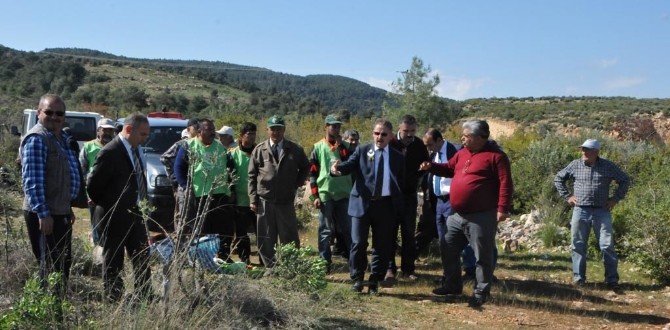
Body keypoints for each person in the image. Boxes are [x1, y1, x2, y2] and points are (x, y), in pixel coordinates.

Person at [420, 119, 513, 307]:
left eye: (466, 135)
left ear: (480, 137)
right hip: (457, 214)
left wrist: (502, 209)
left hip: (481, 215)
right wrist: (432, 167)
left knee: (482, 255)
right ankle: (453, 285)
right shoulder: (463, 153)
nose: (462, 138)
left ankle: (481, 292)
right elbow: (449, 169)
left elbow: (506, 184)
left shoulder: (496, 157)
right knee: (447, 246)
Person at [331, 118, 405, 294]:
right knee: (357, 243)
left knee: (382, 245)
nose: (380, 137)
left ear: (391, 136)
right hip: (361, 203)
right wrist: (337, 170)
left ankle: (375, 279)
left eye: (384, 134)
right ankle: (357, 278)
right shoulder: (363, 150)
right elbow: (348, 166)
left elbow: (401, 180)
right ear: (372, 134)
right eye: (377, 133)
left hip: (385, 205)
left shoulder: (397, 157)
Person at [87, 112, 154, 302]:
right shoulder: (110, 152)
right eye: (142, 134)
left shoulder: (137, 149)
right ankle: (114, 299)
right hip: (113, 217)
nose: (145, 138)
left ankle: (145, 296)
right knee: (113, 261)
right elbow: (93, 186)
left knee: (141, 257)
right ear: (129, 129)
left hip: (136, 215)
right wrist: (111, 206)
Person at [21, 94, 80, 296]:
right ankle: (46, 315)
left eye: (59, 113)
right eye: (49, 112)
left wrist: (67, 207)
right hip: (45, 214)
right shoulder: (37, 139)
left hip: (60, 211)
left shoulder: (62, 138)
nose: (55, 117)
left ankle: (57, 312)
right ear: (39, 113)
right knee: (49, 266)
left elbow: (62, 178)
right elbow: (33, 181)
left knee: (62, 265)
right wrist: (43, 214)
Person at [554, 139, 629, 291]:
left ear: (596, 152)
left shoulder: (608, 166)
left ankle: (612, 280)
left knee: (607, 245)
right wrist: (568, 196)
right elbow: (558, 178)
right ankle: (579, 278)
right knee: (578, 244)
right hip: (580, 209)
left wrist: (615, 199)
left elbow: (625, 180)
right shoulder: (575, 164)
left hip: (602, 211)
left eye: (587, 150)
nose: (584, 152)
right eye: (582, 149)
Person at [248, 115, 310, 269]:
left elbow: (305, 167)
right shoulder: (259, 149)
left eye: (279, 129)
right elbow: (251, 175)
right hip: (264, 200)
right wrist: (252, 199)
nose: (276, 132)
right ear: (268, 130)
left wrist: (296, 183)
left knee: (289, 237)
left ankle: (291, 267)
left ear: (284, 130)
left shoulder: (294, 149)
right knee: (266, 237)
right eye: (273, 129)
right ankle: (271, 268)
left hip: (285, 201)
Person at [420, 129, 478, 282]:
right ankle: (449, 275)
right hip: (439, 201)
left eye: (430, 144)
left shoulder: (457, 151)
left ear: (440, 140)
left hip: (454, 200)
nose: (428, 148)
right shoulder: (432, 154)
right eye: (426, 145)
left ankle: (471, 270)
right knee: (444, 241)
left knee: (461, 237)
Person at [174, 119, 236, 261]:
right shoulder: (188, 146)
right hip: (199, 194)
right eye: (209, 130)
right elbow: (178, 167)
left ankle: (223, 255)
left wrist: (231, 186)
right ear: (200, 132)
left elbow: (231, 166)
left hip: (220, 194)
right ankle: (202, 257)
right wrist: (185, 186)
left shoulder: (220, 147)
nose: (213, 132)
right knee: (201, 229)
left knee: (224, 228)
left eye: (213, 129)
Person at [386, 115, 429, 282]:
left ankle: (408, 269)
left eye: (412, 131)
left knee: (408, 234)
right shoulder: (389, 142)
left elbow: (426, 164)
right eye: (406, 131)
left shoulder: (418, 144)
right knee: (389, 233)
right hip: (390, 195)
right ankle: (390, 268)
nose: (409, 134)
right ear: (399, 129)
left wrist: (420, 173)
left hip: (409, 195)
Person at [308, 114, 354, 272]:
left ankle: (354, 262)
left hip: (344, 194)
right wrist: (315, 196)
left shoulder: (348, 147)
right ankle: (324, 263)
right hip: (325, 193)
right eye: (333, 126)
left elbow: (350, 164)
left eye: (338, 126)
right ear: (326, 127)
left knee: (348, 230)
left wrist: (342, 146)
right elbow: (312, 173)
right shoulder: (318, 146)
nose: (336, 129)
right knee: (325, 230)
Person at [80, 118, 116, 246]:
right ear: (98, 131)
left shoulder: (117, 146)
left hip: (113, 191)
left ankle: (110, 247)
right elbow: (82, 171)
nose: (107, 133)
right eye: (105, 130)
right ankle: (98, 248)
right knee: (96, 221)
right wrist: (87, 193)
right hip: (94, 191)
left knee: (113, 222)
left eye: (110, 130)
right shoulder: (88, 147)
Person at [160, 118, 199, 235]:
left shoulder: (202, 144)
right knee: (182, 215)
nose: (198, 131)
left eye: (199, 128)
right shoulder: (182, 144)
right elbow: (164, 158)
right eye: (195, 128)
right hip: (183, 186)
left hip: (198, 186)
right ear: (189, 129)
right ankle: (180, 241)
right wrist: (174, 178)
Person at [229, 122, 258, 264]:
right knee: (242, 233)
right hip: (240, 200)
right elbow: (228, 176)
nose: (252, 137)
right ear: (241, 136)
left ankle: (265, 260)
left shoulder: (259, 152)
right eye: (249, 134)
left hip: (258, 200)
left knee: (262, 232)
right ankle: (245, 260)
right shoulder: (232, 154)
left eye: (254, 134)